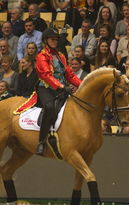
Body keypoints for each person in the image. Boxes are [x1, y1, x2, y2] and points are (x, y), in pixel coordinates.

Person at [35, 27, 82, 155]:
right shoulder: (42, 56)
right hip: (45, 88)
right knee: (50, 107)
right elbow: (46, 75)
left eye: (56, 39)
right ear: (46, 41)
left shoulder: (60, 56)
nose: (55, 42)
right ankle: (42, 141)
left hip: (61, 88)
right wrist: (61, 87)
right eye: (52, 39)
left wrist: (83, 85)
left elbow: (70, 75)